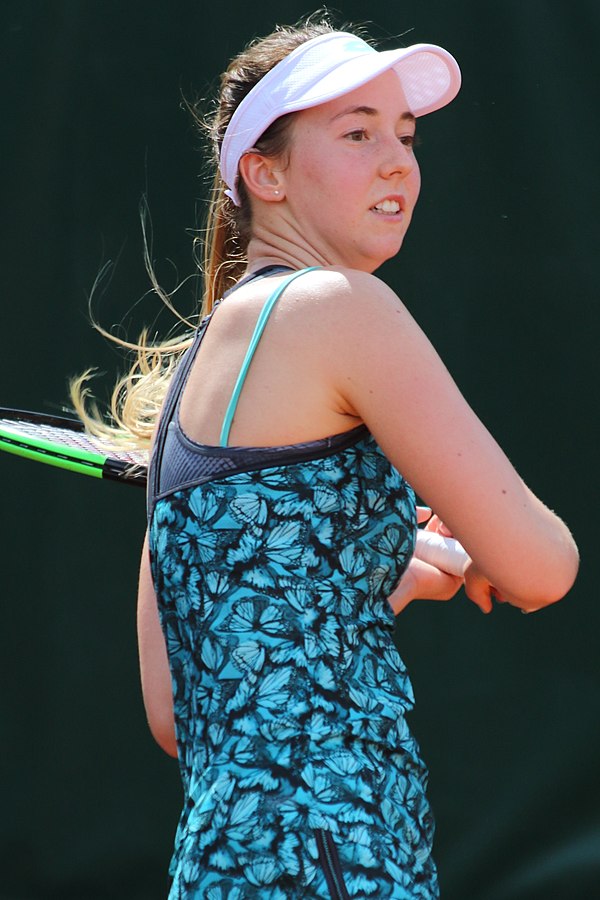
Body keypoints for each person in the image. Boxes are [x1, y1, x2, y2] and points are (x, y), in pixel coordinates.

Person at [77, 17, 578, 899]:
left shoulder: (194, 375)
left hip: (221, 867)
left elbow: (181, 709)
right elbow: (543, 568)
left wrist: (385, 574)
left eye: (406, 135)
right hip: (338, 859)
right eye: (357, 134)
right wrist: (485, 533)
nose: (398, 161)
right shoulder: (343, 307)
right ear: (263, 175)